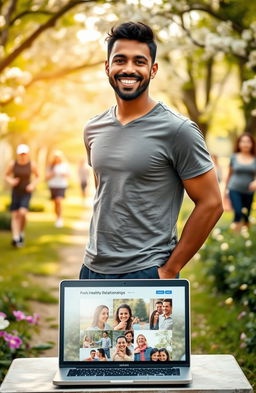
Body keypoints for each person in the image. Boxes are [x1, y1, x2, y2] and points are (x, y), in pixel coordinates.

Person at [79, 22, 223, 281]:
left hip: (147, 271)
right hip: (93, 269)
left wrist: (169, 270)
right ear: (107, 67)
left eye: (139, 61)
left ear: (153, 69)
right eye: (120, 60)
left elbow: (212, 204)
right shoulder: (93, 128)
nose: (129, 69)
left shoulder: (178, 130)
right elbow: (106, 189)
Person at [5, 144, 39, 248]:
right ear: (18, 154)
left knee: (22, 213)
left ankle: (21, 232)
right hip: (16, 192)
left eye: (24, 153)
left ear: (27, 154)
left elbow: (38, 176)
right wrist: (11, 181)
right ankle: (16, 238)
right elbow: (6, 175)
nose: (23, 155)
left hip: (26, 192)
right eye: (21, 154)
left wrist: (32, 185)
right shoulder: (13, 164)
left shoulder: (31, 164)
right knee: (15, 215)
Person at [223, 133, 256, 232]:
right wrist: (224, 192)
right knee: (238, 211)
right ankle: (235, 234)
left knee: (246, 214)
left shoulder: (255, 158)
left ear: (252, 144)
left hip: (249, 191)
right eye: (243, 141)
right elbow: (228, 174)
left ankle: (246, 236)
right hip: (234, 189)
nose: (245, 144)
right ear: (239, 144)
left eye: (248, 141)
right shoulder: (234, 157)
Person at [46, 150, 69, 228]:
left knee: (59, 201)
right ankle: (57, 218)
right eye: (56, 157)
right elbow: (46, 177)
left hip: (61, 186)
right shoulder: (50, 166)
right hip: (53, 186)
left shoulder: (64, 165)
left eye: (58, 157)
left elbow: (68, 175)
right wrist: (53, 173)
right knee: (55, 203)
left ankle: (60, 219)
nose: (57, 158)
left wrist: (63, 174)